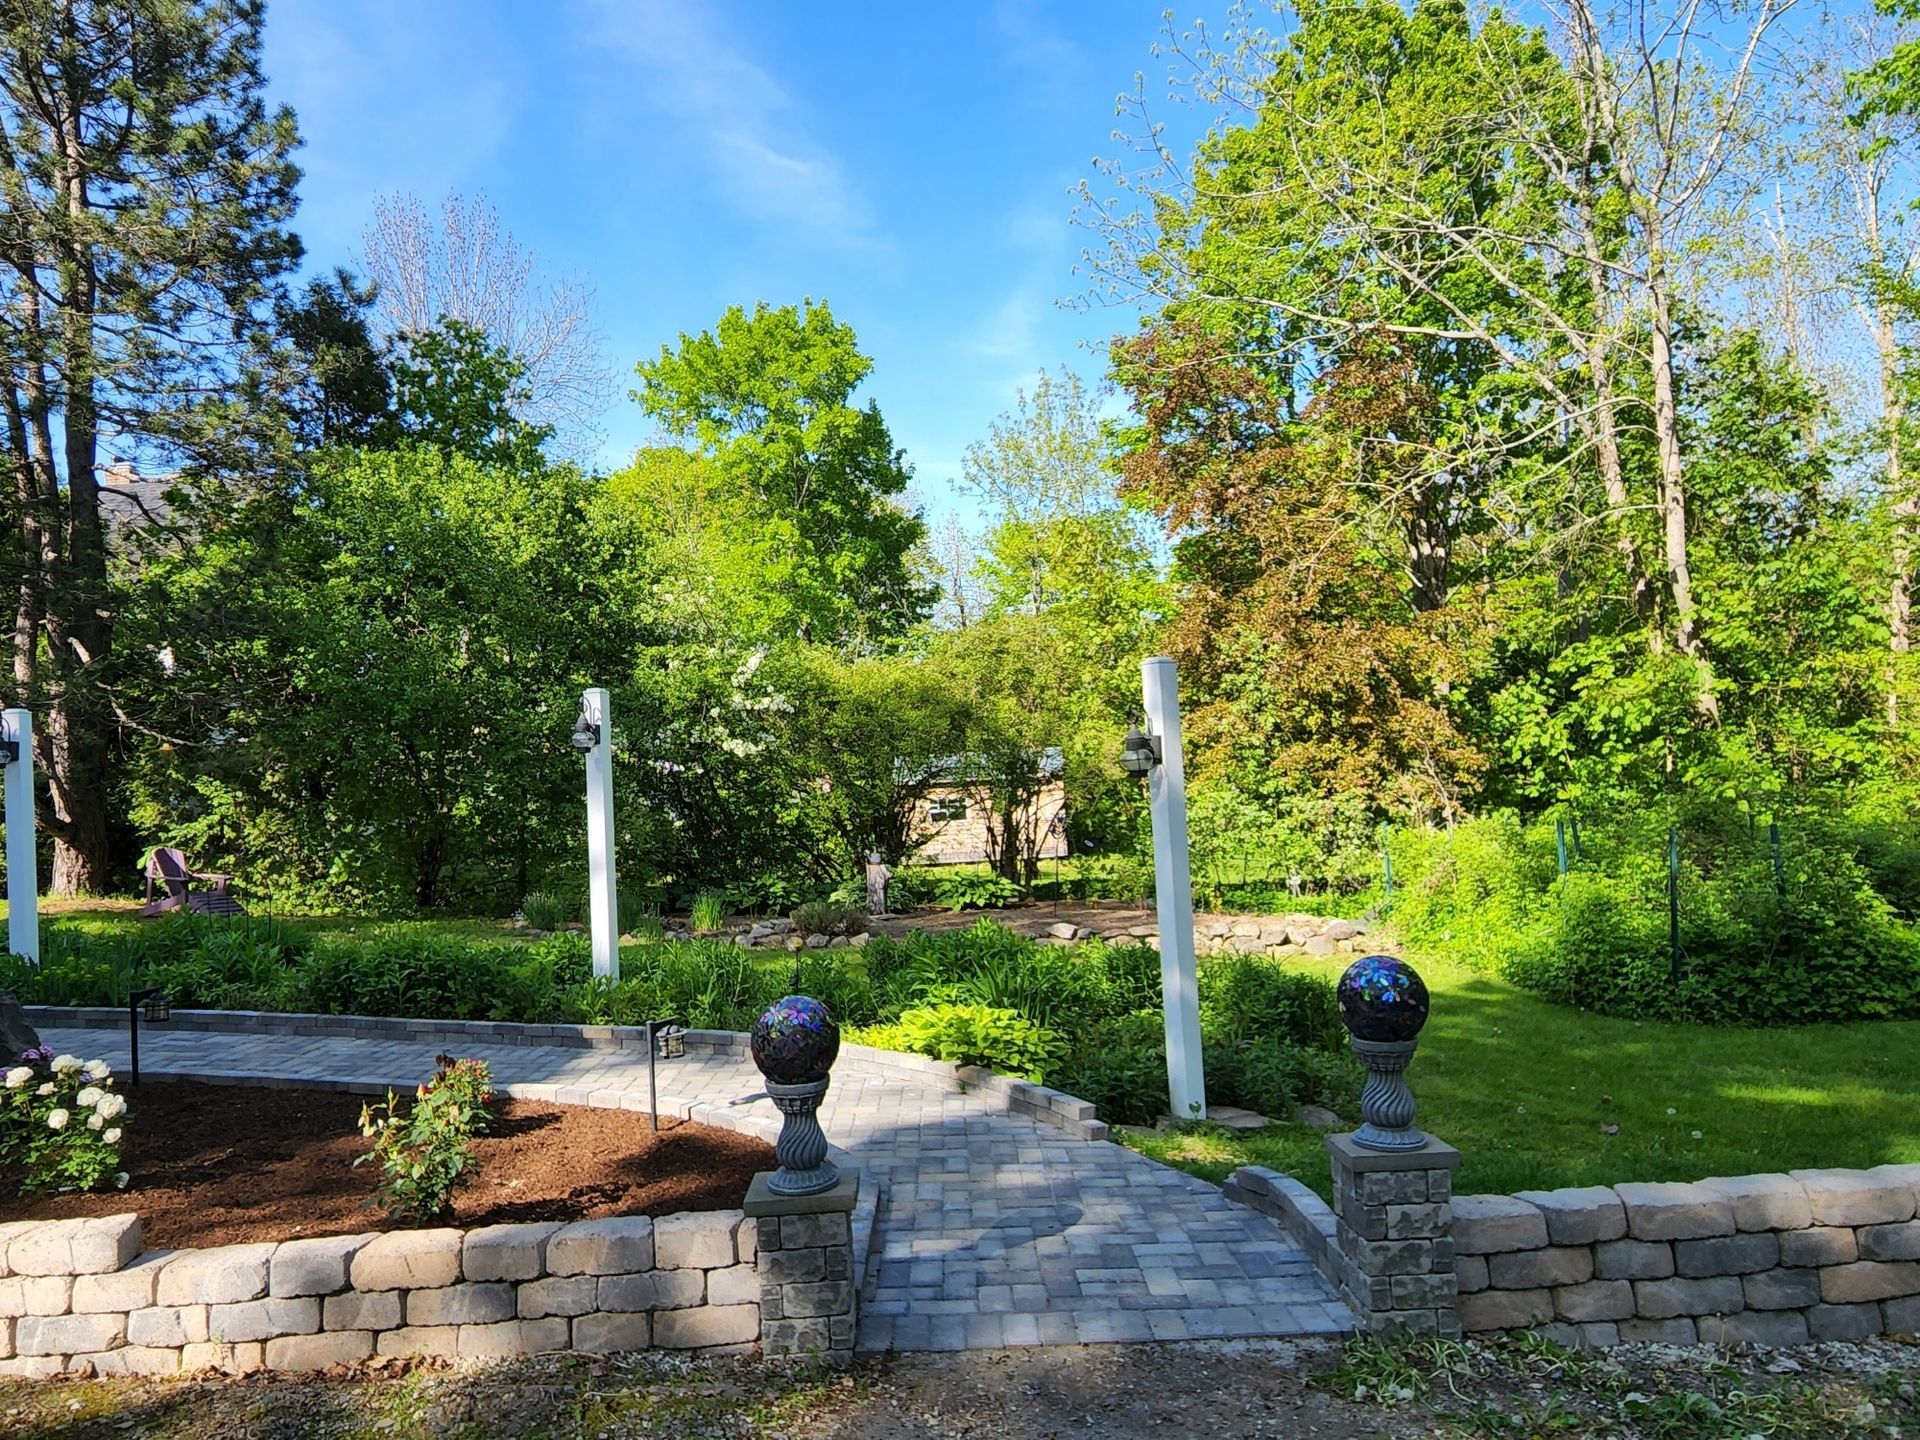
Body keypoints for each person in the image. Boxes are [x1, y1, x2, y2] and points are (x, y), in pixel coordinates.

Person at [865, 851, 893, 916]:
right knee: (873, 898)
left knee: (880, 898)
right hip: (872, 886)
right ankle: (874, 911)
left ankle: (881, 910)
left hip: (879, 886)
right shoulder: (870, 867)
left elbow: (888, 875)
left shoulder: (881, 867)